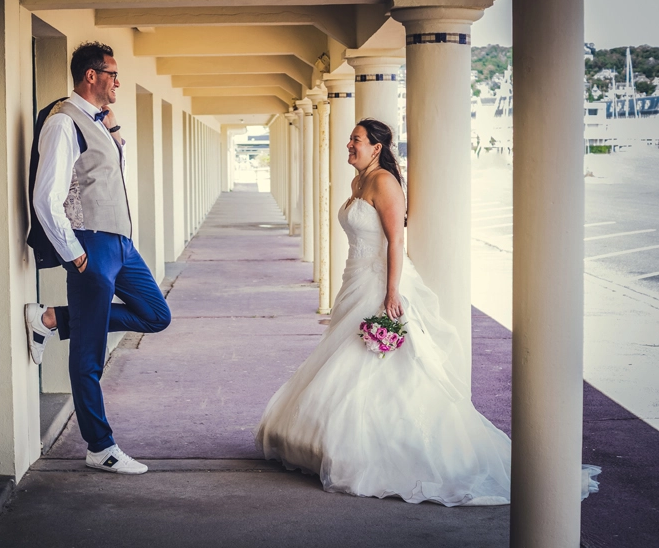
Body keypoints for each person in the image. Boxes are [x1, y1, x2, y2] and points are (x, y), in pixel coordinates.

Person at [254, 119, 599, 505]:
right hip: (354, 278)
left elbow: (396, 240)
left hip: (380, 282)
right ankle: (333, 441)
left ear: (377, 148)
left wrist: (391, 293)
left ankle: (379, 449)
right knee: (344, 355)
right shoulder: (357, 183)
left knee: (380, 363)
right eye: (350, 139)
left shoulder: (384, 182)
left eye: (356, 140)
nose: (348, 144)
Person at [24, 42, 171, 475]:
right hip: (91, 245)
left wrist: (112, 128)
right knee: (88, 356)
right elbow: (45, 197)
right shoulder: (63, 124)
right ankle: (99, 447)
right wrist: (76, 256)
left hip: (120, 244)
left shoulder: (94, 120)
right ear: (91, 75)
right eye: (112, 73)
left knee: (155, 315)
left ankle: (51, 319)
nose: (118, 82)